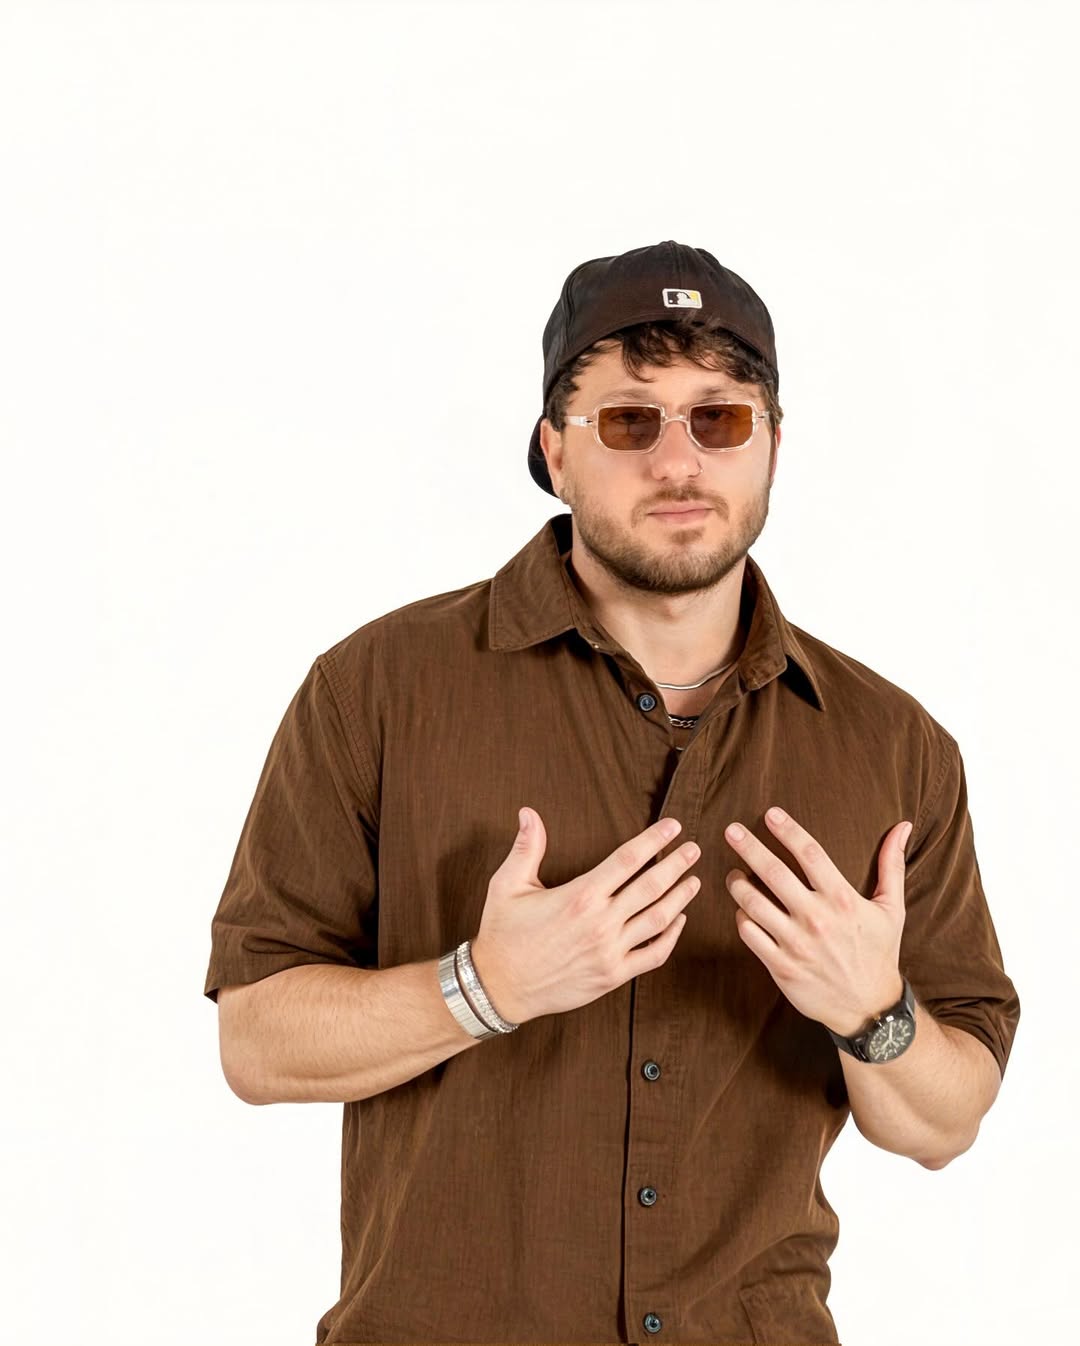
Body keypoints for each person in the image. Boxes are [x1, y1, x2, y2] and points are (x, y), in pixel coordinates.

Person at [203, 240, 1020, 1345]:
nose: (679, 462)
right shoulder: (377, 691)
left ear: (773, 444)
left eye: (719, 418)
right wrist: (484, 986)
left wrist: (874, 1011)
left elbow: (947, 1121)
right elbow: (255, 1041)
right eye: (630, 422)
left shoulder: (894, 746)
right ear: (554, 450)